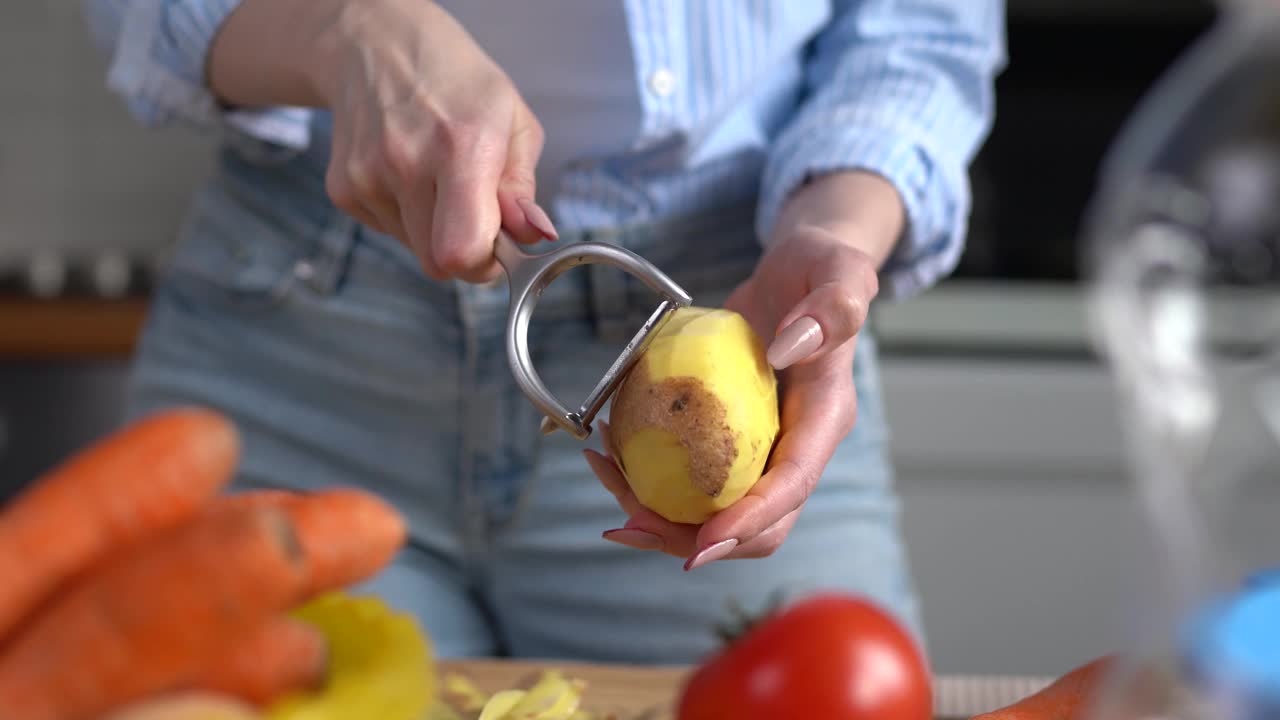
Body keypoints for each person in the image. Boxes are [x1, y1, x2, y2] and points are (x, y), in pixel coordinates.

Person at [83, 0, 1006, 663]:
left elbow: (922, 31)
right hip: (301, 346)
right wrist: (347, 27)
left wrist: (837, 232)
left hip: (743, 313)